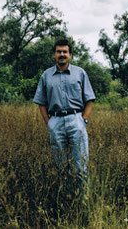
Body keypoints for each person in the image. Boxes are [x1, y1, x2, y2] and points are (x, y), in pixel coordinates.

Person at [33, 38, 95, 185]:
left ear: (70, 55)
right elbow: (41, 102)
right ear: (54, 55)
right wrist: (49, 123)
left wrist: (83, 119)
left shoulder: (80, 73)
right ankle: (66, 199)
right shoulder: (46, 75)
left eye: (65, 52)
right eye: (59, 52)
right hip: (56, 122)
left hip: (76, 120)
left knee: (80, 165)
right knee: (60, 166)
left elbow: (90, 99)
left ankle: (82, 200)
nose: (62, 54)